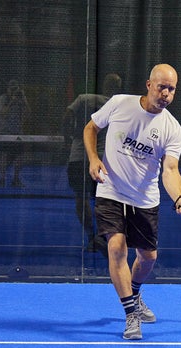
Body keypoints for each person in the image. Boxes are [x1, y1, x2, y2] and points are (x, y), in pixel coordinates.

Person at [83, 64, 181, 340]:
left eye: (171, 89)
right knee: (117, 247)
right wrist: (94, 159)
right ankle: (131, 313)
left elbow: (170, 170)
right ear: (148, 85)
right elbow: (91, 128)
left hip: (145, 198)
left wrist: (179, 196)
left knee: (148, 257)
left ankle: (134, 292)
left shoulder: (172, 128)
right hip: (110, 190)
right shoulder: (120, 104)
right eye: (162, 87)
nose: (166, 93)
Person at [62, 73, 122, 251]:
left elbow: (67, 115)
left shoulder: (83, 99)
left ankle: (92, 236)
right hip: (103, 161)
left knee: (81, 200)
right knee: (103, 202)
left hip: (79, 158)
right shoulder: (117, 106)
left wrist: (67, 138)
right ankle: (102, 237)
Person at [0, 79, 30, 187]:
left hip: (16, 132)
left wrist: (24, 100)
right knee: (4, 155)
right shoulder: (2, 99)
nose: (14, 91)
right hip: (3, 132)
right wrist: (11, 101)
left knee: (20, 156)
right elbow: (2, 113)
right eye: (12, 89)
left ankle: (16, 179)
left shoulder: (20, 100)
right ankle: (2, 179)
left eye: (16, 89)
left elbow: (28, 114)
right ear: (7, 89)